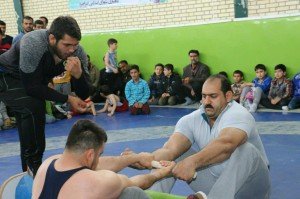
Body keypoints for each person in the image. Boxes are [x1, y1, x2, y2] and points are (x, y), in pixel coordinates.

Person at [124, 74, 270, 199]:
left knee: (246, 150)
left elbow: (226, 145)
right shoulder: (191, 119)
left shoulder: (239, 114)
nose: (207, 102)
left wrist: (192, 163)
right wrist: (147, 159)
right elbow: (170, 149)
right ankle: (149, 197)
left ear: (228, 96)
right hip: (215, 185)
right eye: (204, 96)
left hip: (251, 188)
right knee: (173, 155)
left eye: (213, 96)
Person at [0, 16, 92, 175]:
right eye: (67, 45)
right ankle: (34, 168)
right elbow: (32, 88)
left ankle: (27, 169)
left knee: (29, 118)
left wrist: (78, 75)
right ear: (52, 38)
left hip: (32, 80)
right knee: (33, 107)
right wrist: (67, 98)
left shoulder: (78, 52)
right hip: (7, 75)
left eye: (75, 45)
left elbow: (85, 94)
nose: (71, 50)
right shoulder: (33, 42)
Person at [32, 119, 175, 199]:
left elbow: (100, 164)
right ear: (90, 155)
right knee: (132, 194)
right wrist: (160, 173)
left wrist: (135, 157)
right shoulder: (99, 183)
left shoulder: (47, 164)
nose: (99, 158)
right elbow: (137, 183)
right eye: (99, 154)